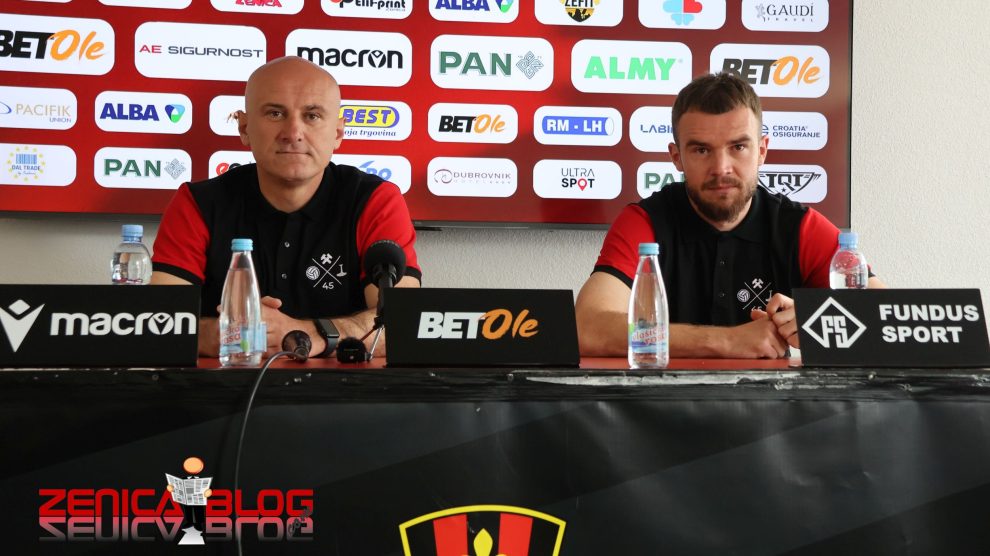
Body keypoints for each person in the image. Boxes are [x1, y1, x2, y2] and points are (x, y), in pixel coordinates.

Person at [575, 72, 884, 359]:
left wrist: (816, 319)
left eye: (738, 147)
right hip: (662, 400)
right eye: (701, 150)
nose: (721, 168)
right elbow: (586, 328)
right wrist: (725, 341)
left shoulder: (800, 227)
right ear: (676, 157)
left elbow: (890, 322)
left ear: (761, 151)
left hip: (772, 402)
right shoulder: (645, 222)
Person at [151, 56, 421, 358]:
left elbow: (403, 323)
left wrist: (308, 334)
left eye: (312, 116)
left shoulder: (375, 200)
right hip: (224, 386)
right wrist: (214, 334)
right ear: (244, 127)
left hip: (345, 387)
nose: (293, 133)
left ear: (338, 133)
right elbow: (155, 323)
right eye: (275, 113)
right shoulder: (197, 203)